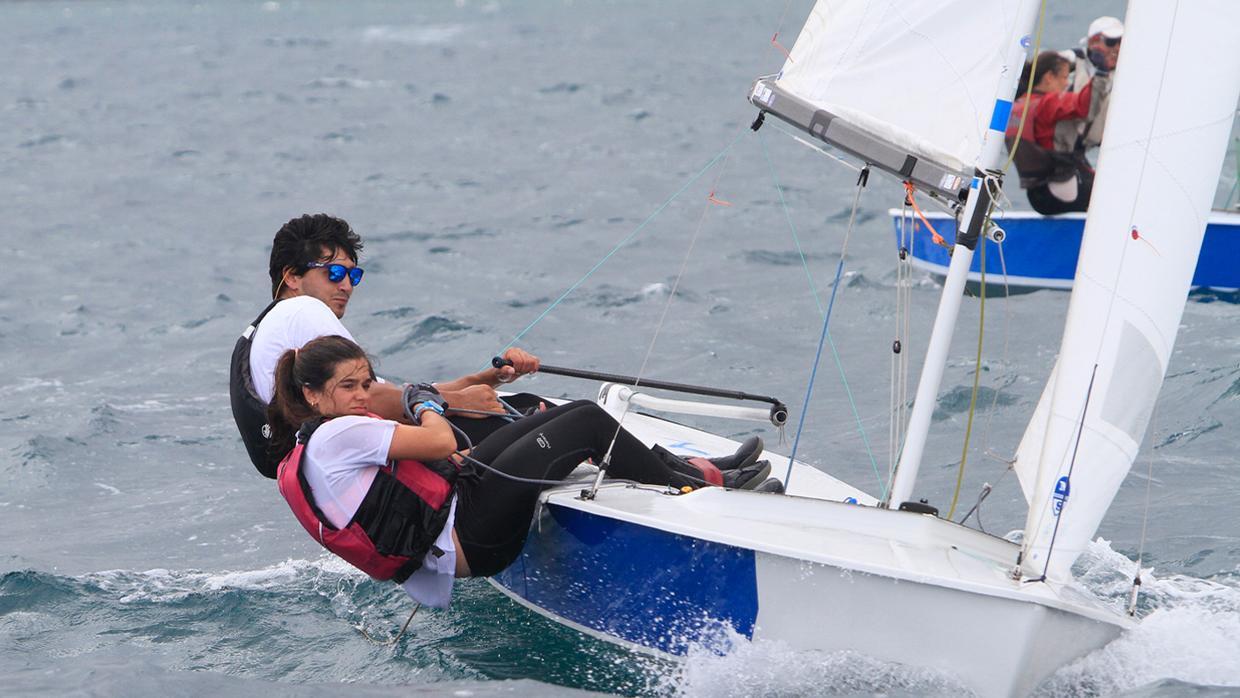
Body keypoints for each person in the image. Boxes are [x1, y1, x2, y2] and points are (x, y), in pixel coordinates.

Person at [268, 335, 771, 607]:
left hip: (459, 514)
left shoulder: (315, 441)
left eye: (365, 383)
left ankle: (691, 468)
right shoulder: (339, 433)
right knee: (589, 424)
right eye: (349, 387)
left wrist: (444, 398)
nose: (362, 396)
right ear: (313, 395)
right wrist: (422, 402)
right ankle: (703, 482)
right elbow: (439, 438)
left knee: (560, 414)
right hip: (470, 536)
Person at [229, 213, 544, 478]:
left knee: (511, 406)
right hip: (366, 459)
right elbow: (375, 402)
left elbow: (396, 396)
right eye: (335, 273)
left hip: (338, 474)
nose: (347, 285)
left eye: (354, 275)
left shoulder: (271, 327)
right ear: (292, 277)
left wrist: (488, 378)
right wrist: (463, 401)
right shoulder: (303, 310)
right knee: (550, 415)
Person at [1006, 51, 1096, 215]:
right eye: (1064, 77)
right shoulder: (1046, 103)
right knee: (1117, 190)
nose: (1066, 83)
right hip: (1061, 191)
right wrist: (1101, 75)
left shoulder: (1018, 104)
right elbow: (1085, 105)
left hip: (1036, 196)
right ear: (1048, 77)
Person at [1053, 16, 1123, 159]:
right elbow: (1048, 63)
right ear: (1093, 42)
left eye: (1121, 42)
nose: (1117, 47)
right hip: (1056, 147)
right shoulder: (1074, 59)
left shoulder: (1123, 74)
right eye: (1111, 42)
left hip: (1081, 150)